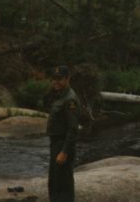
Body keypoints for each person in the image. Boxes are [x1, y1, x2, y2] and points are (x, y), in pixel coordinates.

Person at [44, 65, 80, 202]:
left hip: (63, 145)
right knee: (54, 182)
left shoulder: (70, 100)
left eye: (59, 79)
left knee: (63, 185)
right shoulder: (58, 95)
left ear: (67, 79)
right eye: (54, 79)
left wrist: (64, 152)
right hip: (56, 144)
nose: (55, 82)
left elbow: (73, 130)